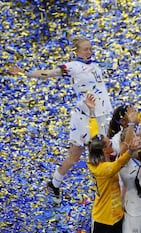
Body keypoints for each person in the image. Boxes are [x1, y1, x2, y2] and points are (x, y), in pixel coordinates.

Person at [8, 36, 113, 204]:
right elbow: (48, 74)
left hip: (100, 114)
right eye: (85, 49)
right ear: (76, 51)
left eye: (90, 48)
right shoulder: (73, 67)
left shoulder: (93, 65)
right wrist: (24, 73)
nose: (89, 51)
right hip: (85, 117)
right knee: (76, 156)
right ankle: (55, 184)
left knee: (104, 152)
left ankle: (105, 190)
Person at [85, 94, 141, 233]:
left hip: (115, 215)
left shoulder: (96, 156)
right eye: (109, 143)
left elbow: (94, 132)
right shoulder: (104, 169)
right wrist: (131, 148)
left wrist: (92, 112)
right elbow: (122, 159)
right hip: (105, 220)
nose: (111, 142)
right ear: (104, 149)